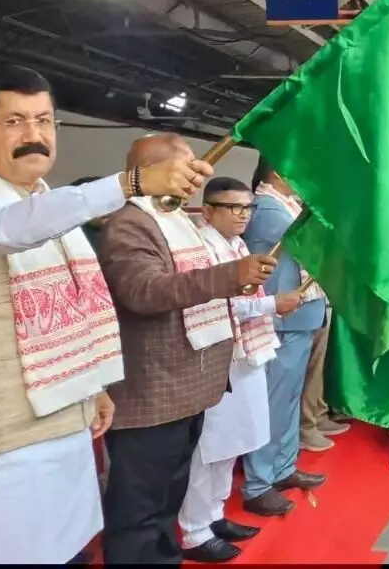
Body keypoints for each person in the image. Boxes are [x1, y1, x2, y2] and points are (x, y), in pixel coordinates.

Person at [0, 60, 209, 564]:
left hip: (58, 437)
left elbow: (68, 304)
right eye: (14, 122)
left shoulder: (49, 205)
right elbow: (7, 228)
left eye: (44, 120)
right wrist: (130, 182)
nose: (34, 135)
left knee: (63, 554)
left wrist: (90, 385)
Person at [97, 133, 279, 565]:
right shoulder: (130, 223)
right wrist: (229, 276)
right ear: (154, 170)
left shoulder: (175, 220)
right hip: (152, 393)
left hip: (186, 389)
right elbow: (144, 292)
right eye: (187, 168)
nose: (196, 177)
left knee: (165, 501)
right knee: (140, 510)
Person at [175, 177, 304, 562]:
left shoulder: (237, 245)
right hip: (216, 357)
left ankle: (214, 516)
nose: (242, 216)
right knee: (209, 447)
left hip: (245, 352)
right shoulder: (200, 248)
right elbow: (211, 303)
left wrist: (266, 305)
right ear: (208, 210)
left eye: (247, 209)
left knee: (233, 441)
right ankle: (193, 531)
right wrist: (270, 306)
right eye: (233, 208)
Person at [240, 160, 330, 516]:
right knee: (272, 403)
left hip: (298, 317)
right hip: (279, 320)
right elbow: (309, 241)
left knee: (289, 399)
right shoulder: (268, 210)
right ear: (275, 173)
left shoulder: (287, 207)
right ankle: (259, 482)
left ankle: (282, 467)